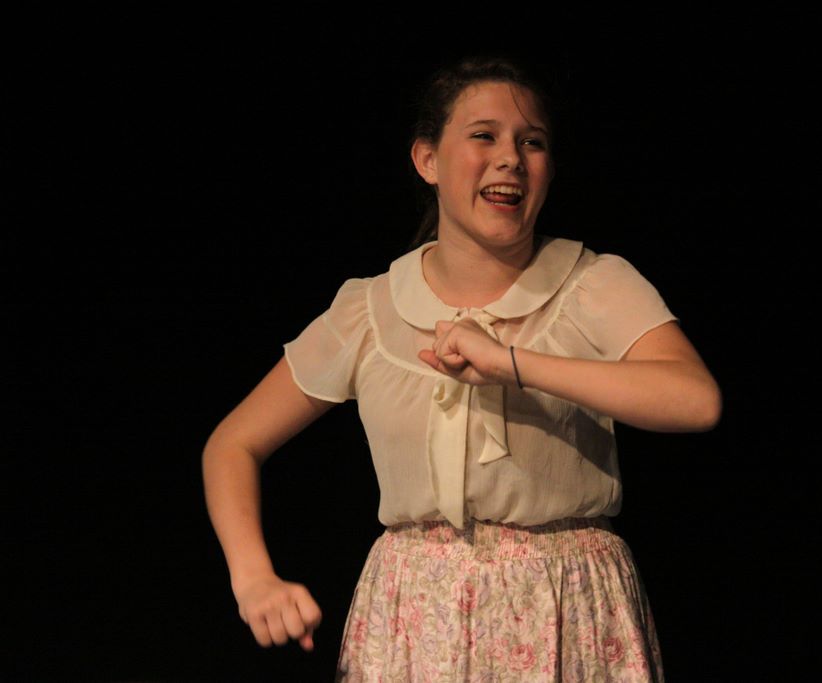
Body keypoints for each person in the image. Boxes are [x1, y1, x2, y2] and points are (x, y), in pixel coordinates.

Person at [202, 55, 721, 682]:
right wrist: (253, 578)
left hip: (566, 606)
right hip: (413, 618)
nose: (511, 158)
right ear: (427, 160)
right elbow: (233, 444)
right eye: (484, 136)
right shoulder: (370, 309)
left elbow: (695, 399)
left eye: (532, 142)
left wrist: (513, 364)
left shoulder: (593, 284)